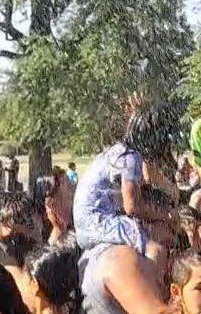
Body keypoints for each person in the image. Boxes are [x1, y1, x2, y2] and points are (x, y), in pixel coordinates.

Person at [73, 104, 177, 257]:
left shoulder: (119, 151)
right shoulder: (130, 158)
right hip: (99, 223)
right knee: (156, 252)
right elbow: (132, 206)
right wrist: (164, 213)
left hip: (86, 225)